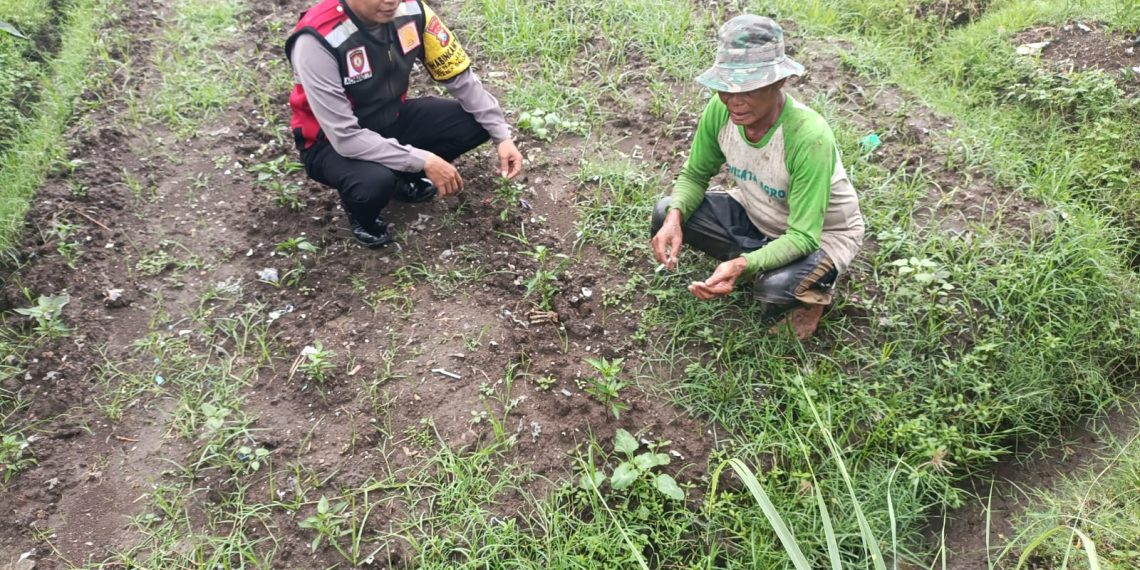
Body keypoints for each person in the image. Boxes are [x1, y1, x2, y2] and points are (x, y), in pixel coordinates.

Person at [650, 15, 864, 340]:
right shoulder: (720, 112)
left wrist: (740, 265)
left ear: (778, 82)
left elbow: (804, 236)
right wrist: (674, 218)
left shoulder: (808, 136)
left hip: (822, 235)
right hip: (757, 213)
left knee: (774, 290)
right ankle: (758, 260)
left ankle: (813, 299)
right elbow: (694, 175)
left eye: (748, 88)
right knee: (665, 212)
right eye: (725, 87)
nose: (734, 100)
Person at [285, 0, 523, 248]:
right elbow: (345, 136)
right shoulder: (316, 40)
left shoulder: (413, 11)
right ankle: (361, 215)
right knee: (374, 183)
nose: (392, 1)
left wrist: (502, 136)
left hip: (390, 118)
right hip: (328, 143)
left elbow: (460, 78)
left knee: (477, 121)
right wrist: (424, 160)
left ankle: (402, 178)